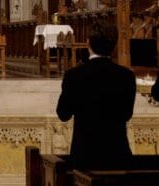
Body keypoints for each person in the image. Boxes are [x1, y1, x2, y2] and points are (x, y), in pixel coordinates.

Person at [56, 21, 136, 170]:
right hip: (118, 156)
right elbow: (126, 114)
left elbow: (63, 114)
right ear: (114, 45)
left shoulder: (74, 75)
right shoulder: (126, 76)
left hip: (84, 156)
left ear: (88, 43)